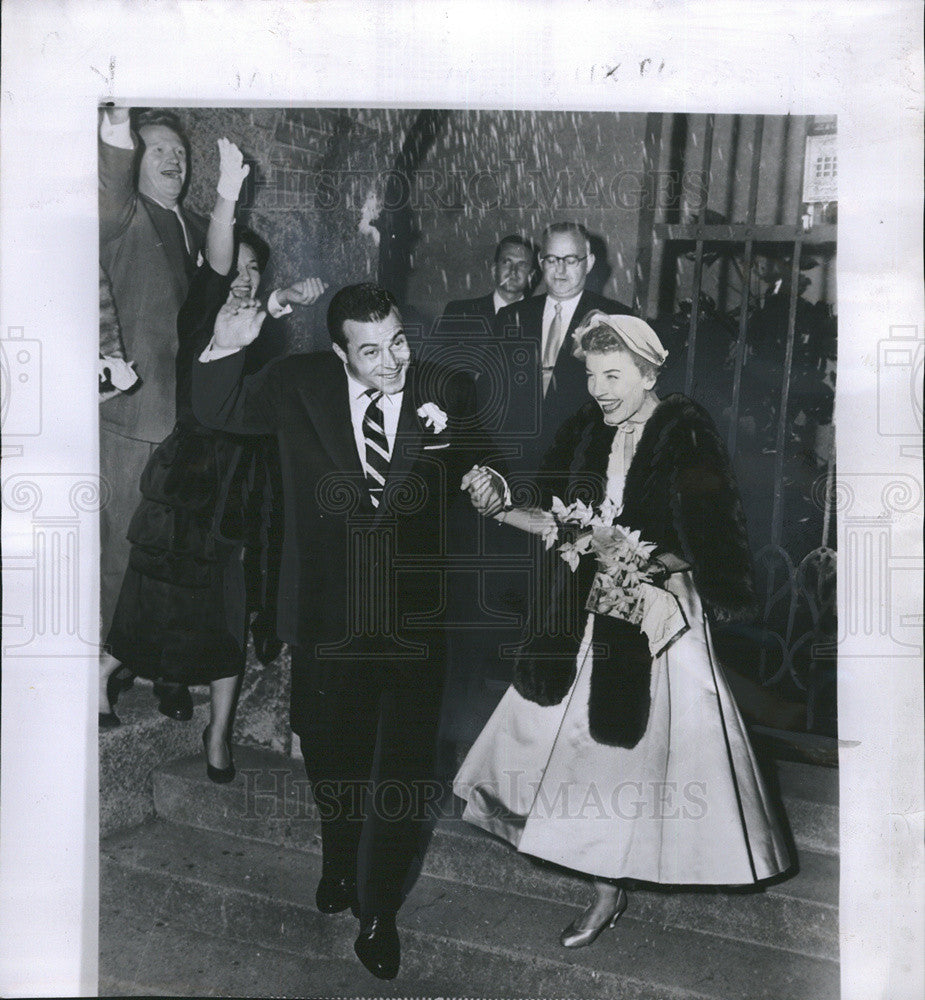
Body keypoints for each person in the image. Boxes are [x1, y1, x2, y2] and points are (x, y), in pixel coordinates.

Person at [191, 281, 503, 980]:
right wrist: (226, 348)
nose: (393, 360)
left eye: (398, 341)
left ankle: (377, 910)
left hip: (413, 620)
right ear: (339, 351)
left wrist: (488, 483)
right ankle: (338, 859)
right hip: (327, 616)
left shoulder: (445, 387)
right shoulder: (298, 382)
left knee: (399, 768)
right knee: (333, 754)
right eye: (371, 351)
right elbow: (216, 409)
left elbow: (486, 465)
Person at [455, 312, 791, 948]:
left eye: (614, 376)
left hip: (657, 611)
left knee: (641, 745)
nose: (600, 389)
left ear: (648, 373)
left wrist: (642, 562)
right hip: (588, 605)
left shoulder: (685, 431)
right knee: (568, 729)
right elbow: (558, 517)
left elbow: (711, 537)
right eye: (591, 375)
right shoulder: (587, 428)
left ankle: (614, 881)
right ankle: (601, 875)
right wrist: (502, 509)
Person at [105, 139, 326, 765]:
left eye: (257, 273)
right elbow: (222, 269)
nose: (246, 279)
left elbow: (260, 358)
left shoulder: (259, 321)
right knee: (159, 595)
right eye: (238, 269)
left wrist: (285, 301)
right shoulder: (202, 310)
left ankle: (219, 733)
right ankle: (106, 676)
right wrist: (228, 191)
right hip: (192, 482)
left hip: (242, 489)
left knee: (234, 607)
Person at [99, 106, 207, 720]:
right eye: (156, 150)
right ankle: (101, 678)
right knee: (119, 551)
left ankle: (157, 665)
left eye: (179, 152)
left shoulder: (192, 226)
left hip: (187, 425)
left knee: (170, 556)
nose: (173, 160)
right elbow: (110, 189)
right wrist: (116, 132)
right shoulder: (122, 217)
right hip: (133, 417)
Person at [494, 221, 633, 478]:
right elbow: (494, 398)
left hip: (580, 468)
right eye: (552, 259)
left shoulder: (616, 319)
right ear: (540, 261)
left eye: (570, 260)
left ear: (589, 263)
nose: (560, 269)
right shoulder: (511, 317)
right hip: (513, 466)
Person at [437, 234, 536, 339]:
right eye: (507, 262)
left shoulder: (540, 319)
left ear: (530, 276)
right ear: (494, 270)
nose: (513, 271)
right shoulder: (459, 314)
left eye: (522, 265)